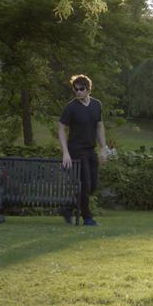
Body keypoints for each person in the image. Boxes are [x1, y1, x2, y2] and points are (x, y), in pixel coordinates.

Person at [58, 74, 109, 226]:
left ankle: (67, 208)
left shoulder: (96, 105)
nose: (78, 92)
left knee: (93, 186)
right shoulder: (71, 107)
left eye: (81, 89)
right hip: (76, 150)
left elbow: (99, 127)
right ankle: (87, 218)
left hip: (90, 149)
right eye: (75, 89)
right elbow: (60, 129)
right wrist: (65, 153)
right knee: (85, 184)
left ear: (88, 89)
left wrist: (103, 148)